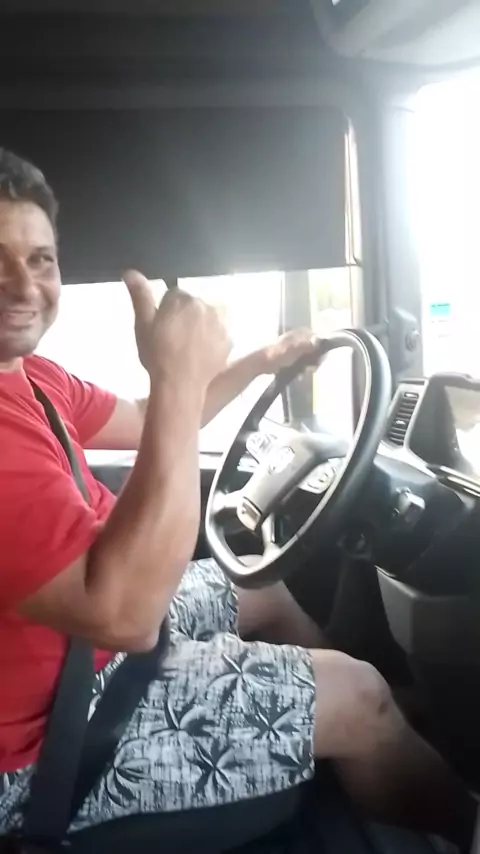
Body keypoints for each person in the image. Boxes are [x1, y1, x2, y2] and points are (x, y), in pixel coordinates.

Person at [0, 148, 474, 849]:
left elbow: (153, 417)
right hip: (43, 750)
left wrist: (259, 362)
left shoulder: (32, 377)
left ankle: (345, 735)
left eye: (40, 259)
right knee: (360, 696)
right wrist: (177, 374)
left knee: (261, 591)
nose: (23, 284)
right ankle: (395, 755)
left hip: (76, 650)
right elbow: (124, 617)